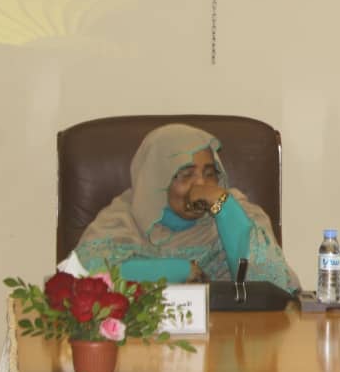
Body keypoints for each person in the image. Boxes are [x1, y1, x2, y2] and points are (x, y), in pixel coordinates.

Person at [75, 123, 299, 291]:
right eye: (186, 175)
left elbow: (271, 284)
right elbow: (84, 279)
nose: (201, 186)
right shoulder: (123, 219)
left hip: (228, 334)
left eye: (210, 174)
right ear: (156, 182)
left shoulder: (235, 210)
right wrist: (180, 270)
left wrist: (223, 206)